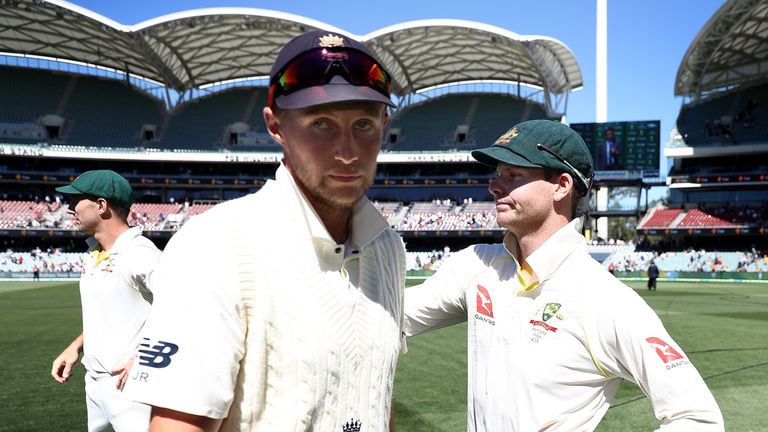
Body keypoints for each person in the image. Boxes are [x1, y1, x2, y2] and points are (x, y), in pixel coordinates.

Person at [125, 30, 406, 431]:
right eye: (321, 123)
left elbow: (376, 393)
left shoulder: (389, 247)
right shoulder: (214, 245)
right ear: (275, 126)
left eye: (363, 123)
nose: (347, 151)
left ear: (385, 123)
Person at [404, 120, 723, 431]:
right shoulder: (476, 265)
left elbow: (698, 418)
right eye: (498, 173)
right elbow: (385, 316)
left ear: (561, 186)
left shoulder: (605, 300)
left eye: (513, 174)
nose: (495, 185)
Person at [50, 170, 161, 432]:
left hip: (131, 389)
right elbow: (109, 316)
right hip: (95, 384)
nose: (68, 208)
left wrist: (145, 357)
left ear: (101, 205)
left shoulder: (139, 254)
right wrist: (75, 347)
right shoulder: (95, 253)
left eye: (75, 201)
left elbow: (187, 303)